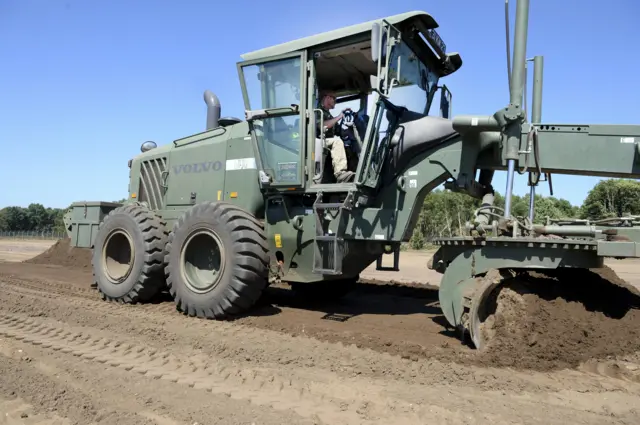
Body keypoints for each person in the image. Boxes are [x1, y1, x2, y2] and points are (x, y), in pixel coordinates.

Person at [317, 90, 355, 183]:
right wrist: (339, 116)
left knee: (349, 146)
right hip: (318, 140)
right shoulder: (318, 111)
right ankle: (340, 174)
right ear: (327, 98)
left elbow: (339, 130)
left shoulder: (328, 114)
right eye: (334, 98)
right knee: (337, 141)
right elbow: (322, 125)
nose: (335, 101)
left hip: (326, 140)